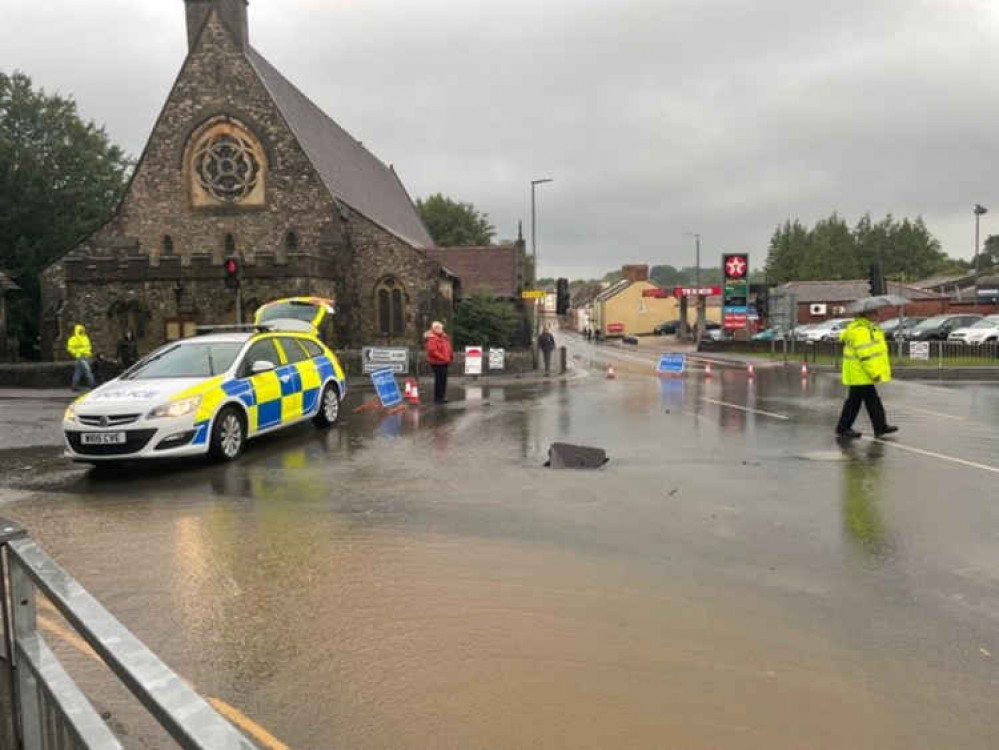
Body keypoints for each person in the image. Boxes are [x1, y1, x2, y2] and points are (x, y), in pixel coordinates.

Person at [835, 310, 898, 439]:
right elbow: (865, 355)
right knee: (862, 401)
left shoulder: (865, 328)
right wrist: (874, 372)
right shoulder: (861, 331)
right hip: (860, 373)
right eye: (874, 312)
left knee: (863, 401)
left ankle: (878, 426)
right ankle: (845, 428)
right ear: (867, 315)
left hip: (859, 372)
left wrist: (875, 329)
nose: (877, 314)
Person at [424, 321, 453, 403]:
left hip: (444, 361)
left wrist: (450, 356)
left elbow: (448, 347)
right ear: (435, 329)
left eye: (441, 328)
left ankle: (442, 396)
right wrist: (443, 357)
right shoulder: (432, 338)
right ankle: (438, 398)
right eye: (440, 328)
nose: (442, 330)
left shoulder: (444, 337)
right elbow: (432, 351)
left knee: (443, 380)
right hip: (437, 362)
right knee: (439, 380)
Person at [67, 323, 96, 391]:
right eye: (80, 330)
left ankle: (74, 386)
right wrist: (77, 354)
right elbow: (70, 348)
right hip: (81, 357)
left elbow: (88, 346)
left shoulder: (85, 337)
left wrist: (89, 354)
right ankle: (93, 385)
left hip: (85, 356)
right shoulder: (73, 339)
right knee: (88, 372)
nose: (82, 331)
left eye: (82, 330)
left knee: (78, 373)